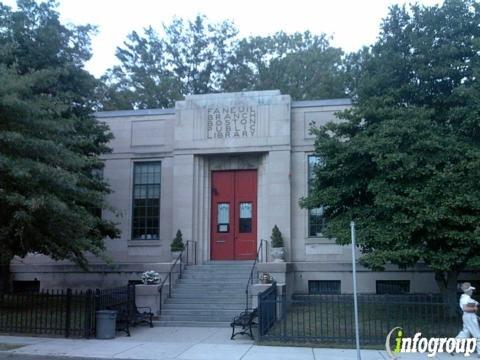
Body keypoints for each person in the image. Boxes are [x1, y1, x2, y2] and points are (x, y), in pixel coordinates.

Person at [456, 282, 480, 357]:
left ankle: (452, 344)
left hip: (468, 316)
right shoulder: (465, 298)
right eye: (471, 290)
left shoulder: (466, 298)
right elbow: (465, 308)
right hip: (470, 317)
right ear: (468, 291)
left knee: (465, 333)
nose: (472, 291)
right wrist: (474, 308)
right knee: (477, 334)